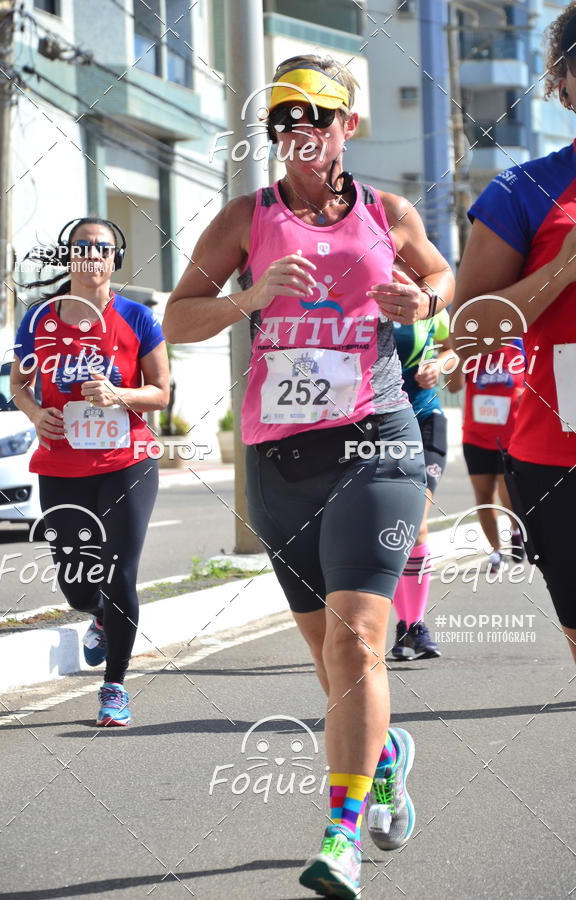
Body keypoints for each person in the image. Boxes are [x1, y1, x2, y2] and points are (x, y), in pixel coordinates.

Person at [164, 56, 453, 897]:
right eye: (286, 121)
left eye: (317, 118)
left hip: (377, 440)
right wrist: (245, 302)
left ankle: (340, 836)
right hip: (281, 458)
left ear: (346, 128)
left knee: (358, 636)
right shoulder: (244, 219)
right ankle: (386, 753)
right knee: (332, 667)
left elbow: (442, 274)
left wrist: (425, 303)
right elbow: (178, 315)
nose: (301, 132)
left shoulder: (387, 213)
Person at [454, 3, 576, 663]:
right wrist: (560, 271)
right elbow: (468, 333)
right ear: (561, 83)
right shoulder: (522, 192)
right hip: (559, 456)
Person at [10, 216, 169, 725]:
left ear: (114, 259)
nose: (92, 256)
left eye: (102, 248)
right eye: (82, 247)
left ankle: (114, 688)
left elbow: (163, 393)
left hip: (128, 461)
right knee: (79, 583)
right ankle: (98, 613)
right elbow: (19, 383)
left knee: (120, 573)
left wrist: (119, 394)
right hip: (62, 462)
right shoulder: (40, 320)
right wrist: (37, 415)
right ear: (70, 257)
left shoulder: (137, 317)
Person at [391, 311, 456, 660]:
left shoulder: (430, 303)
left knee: (416, 522)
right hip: (380, 427)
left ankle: (414, 625)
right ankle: (406, 626)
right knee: (394, 527)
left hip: (426, 419)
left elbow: (451, 348)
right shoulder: (362, 298)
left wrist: (439, 366)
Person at [449, 342, 525, 573]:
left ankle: (516, 530)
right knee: (483, 496)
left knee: (508, 493)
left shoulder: (519, 349)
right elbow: (453, 387)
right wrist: (462, 355)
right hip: (476, 436)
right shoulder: (472, 351)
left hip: (511, 437)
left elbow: (536, 384)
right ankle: (495, 551)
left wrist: (525, 395)